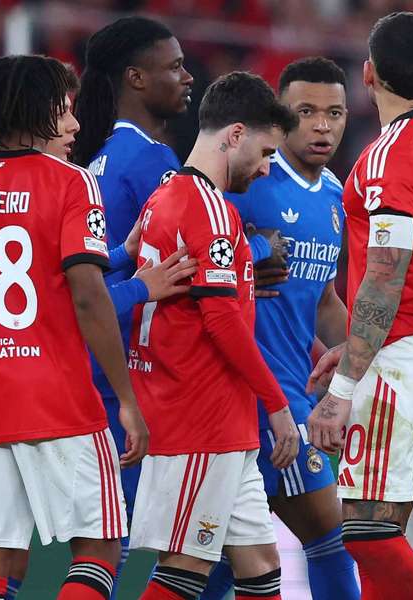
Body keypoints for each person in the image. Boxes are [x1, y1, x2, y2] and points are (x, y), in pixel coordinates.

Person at [0, 64, 192, 600]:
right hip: (56, 395)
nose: (74, 124)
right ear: (38, 111)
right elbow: (84, 294)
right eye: (65, 110)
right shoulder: (73, 182)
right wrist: (129, 402)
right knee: (100, 548)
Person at [305, 12, 413, 599]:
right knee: (389, 527)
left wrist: (343, 386)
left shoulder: (387, 159)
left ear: (368, 75)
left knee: (363, 532)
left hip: (400, 358)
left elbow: (384, 276)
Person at [127, 71, 300, 600]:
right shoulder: (207, 208)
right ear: (235, 135)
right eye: (267, 151)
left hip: (221, 421)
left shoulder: (166, 196)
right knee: (184, 570)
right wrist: (277, 405)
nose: (268, 167)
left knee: (262, 567)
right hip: (196, 416)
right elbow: (221, 322)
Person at [201, 57, 359, 600]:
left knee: (225, 559)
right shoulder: (249, 180)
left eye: (334, 112)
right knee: (330, 536)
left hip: (297, 387)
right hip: (259, 393)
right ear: (279, 116)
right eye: (306, 111)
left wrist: (365, 363)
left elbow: (325, 300)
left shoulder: (336, 196)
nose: (322, 125)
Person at [70, 18, 194, 590]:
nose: (187, 77)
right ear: (137, 79)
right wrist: (259, 246)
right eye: (174, 67)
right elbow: (191, 264)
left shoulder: (98, 155)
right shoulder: (152, 161)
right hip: (130, 376)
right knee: (197, 544)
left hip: (91, 369)